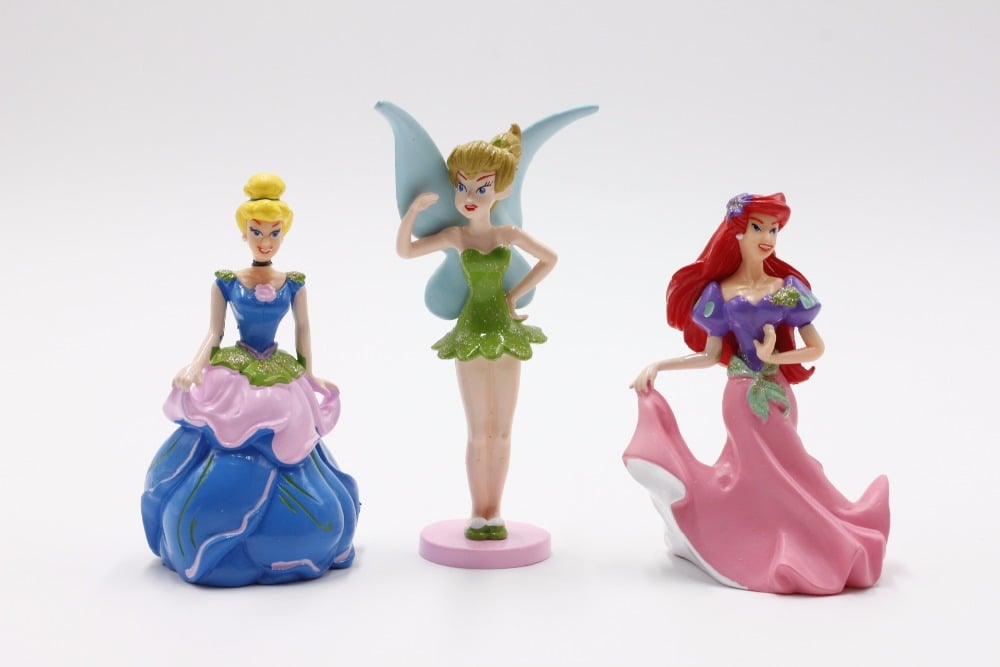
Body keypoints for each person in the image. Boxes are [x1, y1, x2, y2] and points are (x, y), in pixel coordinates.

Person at [625, 192, 889, 595]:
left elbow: (816, 347)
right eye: (757, 227)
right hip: (740, 397)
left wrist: (775, 356)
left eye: (774, 229)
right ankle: (760, 541)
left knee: (793, 467)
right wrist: (660, 365)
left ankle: (825, 533)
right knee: (761, 476)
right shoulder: (719, 294)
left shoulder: (784, 290)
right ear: (736, 233)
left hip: (776, 392)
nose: (767, 237)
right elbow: (709, 355)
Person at [141, 173, 359, 586]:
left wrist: (310, 374)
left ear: (283, 235)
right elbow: (214, 332)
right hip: (236, 367)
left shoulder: (293, 284)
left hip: (278, 370)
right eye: (257, 232)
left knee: (291, 436)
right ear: (244, 233)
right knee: (221, 430)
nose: (265, 241)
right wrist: (194, 366)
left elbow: (304, 330)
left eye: (274, 233)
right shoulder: (228, 282)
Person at [397, 126, 556, 540]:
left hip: (504, 332)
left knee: (501, 429)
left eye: (481, 187)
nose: (469, 196)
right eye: (462, 186)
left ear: (501, 191)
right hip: (470, 331)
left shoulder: (507, 235)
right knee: (477, 431)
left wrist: (515, 295)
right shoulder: (455, 236)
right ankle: (477, 511)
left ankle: (495, 511)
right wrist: (413, 212)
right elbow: (406, 251)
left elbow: (549, 259)